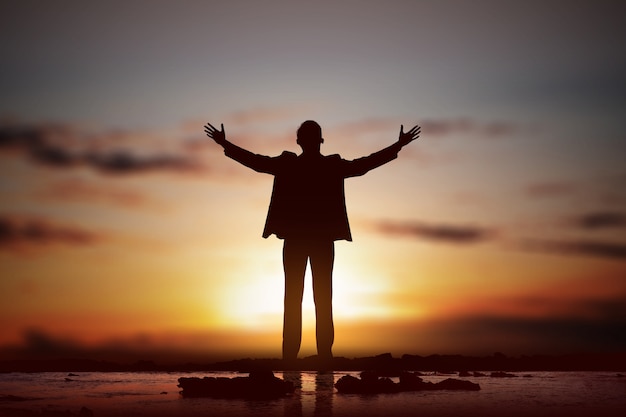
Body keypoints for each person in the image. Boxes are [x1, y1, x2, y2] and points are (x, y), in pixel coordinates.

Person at [204, 120, 420, 364]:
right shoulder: (324, 166)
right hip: (318, 240)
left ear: (300, 142)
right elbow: (363, 165)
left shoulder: (296, 165)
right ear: (320, 141)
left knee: (296, 298)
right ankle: (318, 357)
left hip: (301, 240)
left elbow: (257, 162)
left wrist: (225, 144)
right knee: (320, 298)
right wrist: (397, 146)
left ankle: (293, 358)